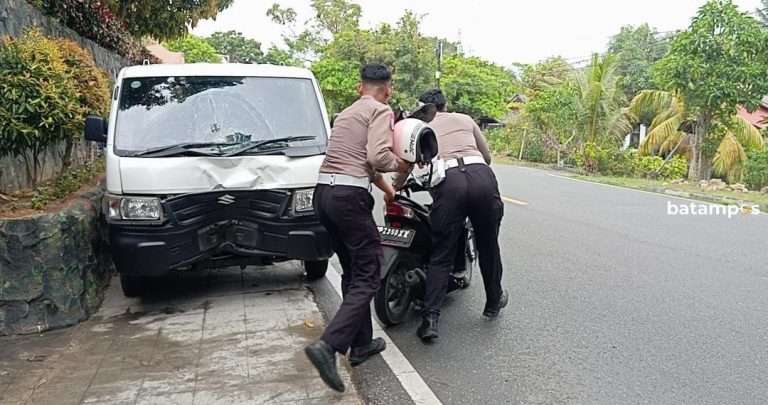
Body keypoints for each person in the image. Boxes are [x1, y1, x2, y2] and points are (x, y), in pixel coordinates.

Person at [304, 63, 411, 392]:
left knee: (353, 270)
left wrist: (390, 192)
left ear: (359, 87)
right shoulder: (381, 110)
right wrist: (403, 164)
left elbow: (361, 163)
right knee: (369, 273)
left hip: (323, 195)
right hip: (349, 199)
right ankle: (329, 345)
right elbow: (378, 157)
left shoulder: (346, 114)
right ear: (388, 90)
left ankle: (362, 343)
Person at [394, 89, 508, 342]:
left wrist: (395, 186)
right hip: (481, 177)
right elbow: (487, 157)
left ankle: (430, 320)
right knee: (488, 246)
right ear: (445, 105)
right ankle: (493, 302)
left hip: (449, 183)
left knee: (441, 254)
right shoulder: (465, 119)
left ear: (424, 108)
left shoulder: (420, 126)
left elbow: (407, 163)